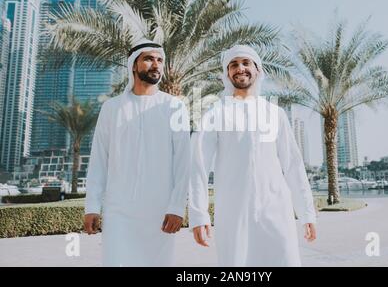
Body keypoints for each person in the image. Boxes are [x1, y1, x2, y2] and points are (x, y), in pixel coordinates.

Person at [189, 45, 317, 266]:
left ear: (257, 70)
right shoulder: (215, 113)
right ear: (227, 74)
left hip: (277, 210)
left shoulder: (275, 113)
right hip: (234, 212)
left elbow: (293, 165)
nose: (240, 68)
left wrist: (307, 213)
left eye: (246, 63)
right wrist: (199, 215)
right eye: (233, 65)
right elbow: (198, 165)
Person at [84, 39, 191, 266]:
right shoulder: (112, 108)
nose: (156, 65)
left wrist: (176, 207)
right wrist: (92, 206)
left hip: (160, 212)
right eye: (149, 59)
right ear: (134, 65)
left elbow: (183, 161)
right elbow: (99, 160)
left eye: (160, 60)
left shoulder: (174, 106)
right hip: (118, 211)